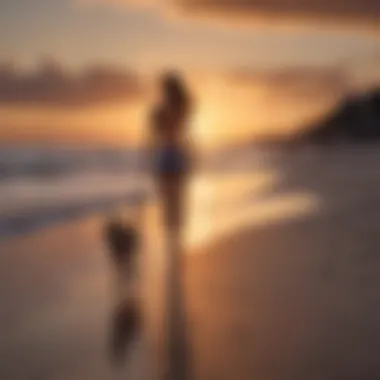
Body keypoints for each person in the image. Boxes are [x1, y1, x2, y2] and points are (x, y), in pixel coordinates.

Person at [149, 72, 193, 243]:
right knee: (177, 203)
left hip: (166, 159)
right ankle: (176, 239)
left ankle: (172, 239)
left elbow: (155, 137)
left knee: (169, 204)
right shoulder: (183, 108)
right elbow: (185, 134)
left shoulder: (161, 113)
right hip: (179, 159)